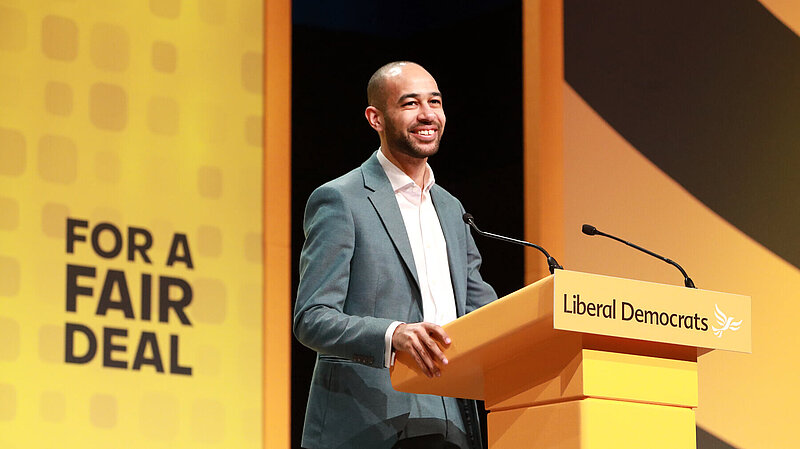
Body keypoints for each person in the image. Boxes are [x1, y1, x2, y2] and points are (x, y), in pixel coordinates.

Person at [294, 61, 497, 449]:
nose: (427, 114)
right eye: (410, 103)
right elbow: (312, 319)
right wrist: (394, 334)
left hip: (452, 421)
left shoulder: (452, 210)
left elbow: (481, 311)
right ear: (376, 118)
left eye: (434, 102)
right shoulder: (341, 199)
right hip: (368, 423)